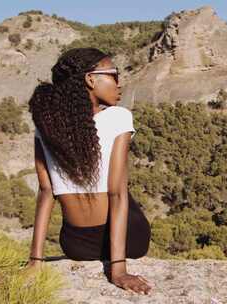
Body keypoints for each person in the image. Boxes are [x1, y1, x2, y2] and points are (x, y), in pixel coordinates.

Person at [25, 47, 152, 295]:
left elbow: (46, 192)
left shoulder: (46, 126)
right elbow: (117, 193)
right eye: (114, 74)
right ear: (90, 79)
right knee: (125, 195)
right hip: (129, 241)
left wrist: (35, 261)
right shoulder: (118, 117)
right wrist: (118, 270)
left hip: (76, 244)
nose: (119, 83)